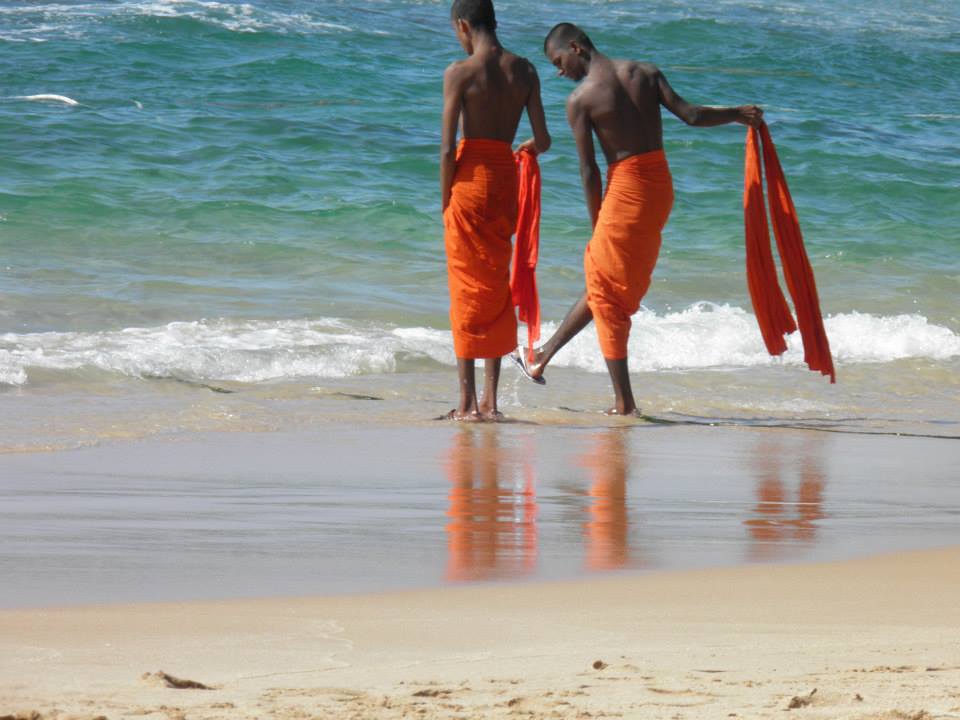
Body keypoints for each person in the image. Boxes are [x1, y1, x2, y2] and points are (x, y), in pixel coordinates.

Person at [520, 22, 763, 415]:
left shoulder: (581, 100)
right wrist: (738, 114)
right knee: (606, 283)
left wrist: (597, 221)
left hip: (627, 191)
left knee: (606, 286)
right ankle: (542, 356)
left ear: (577, 47)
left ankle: (624, 403)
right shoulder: (645, 72)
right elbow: (693, 115)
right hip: (660, 189)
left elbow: (589, 171)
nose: (558, 71)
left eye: (558, 61)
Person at [440, 0, 551, 421]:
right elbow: (543, 140)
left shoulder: (460, 72)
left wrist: (443, 199)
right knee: (495, 285)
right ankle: (491, 402)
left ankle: (467, 404)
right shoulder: (525, 71)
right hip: (506, 180)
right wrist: (523, 148)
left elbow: (449, 147)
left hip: (470, 181)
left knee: (466, 286)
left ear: (463, 25)